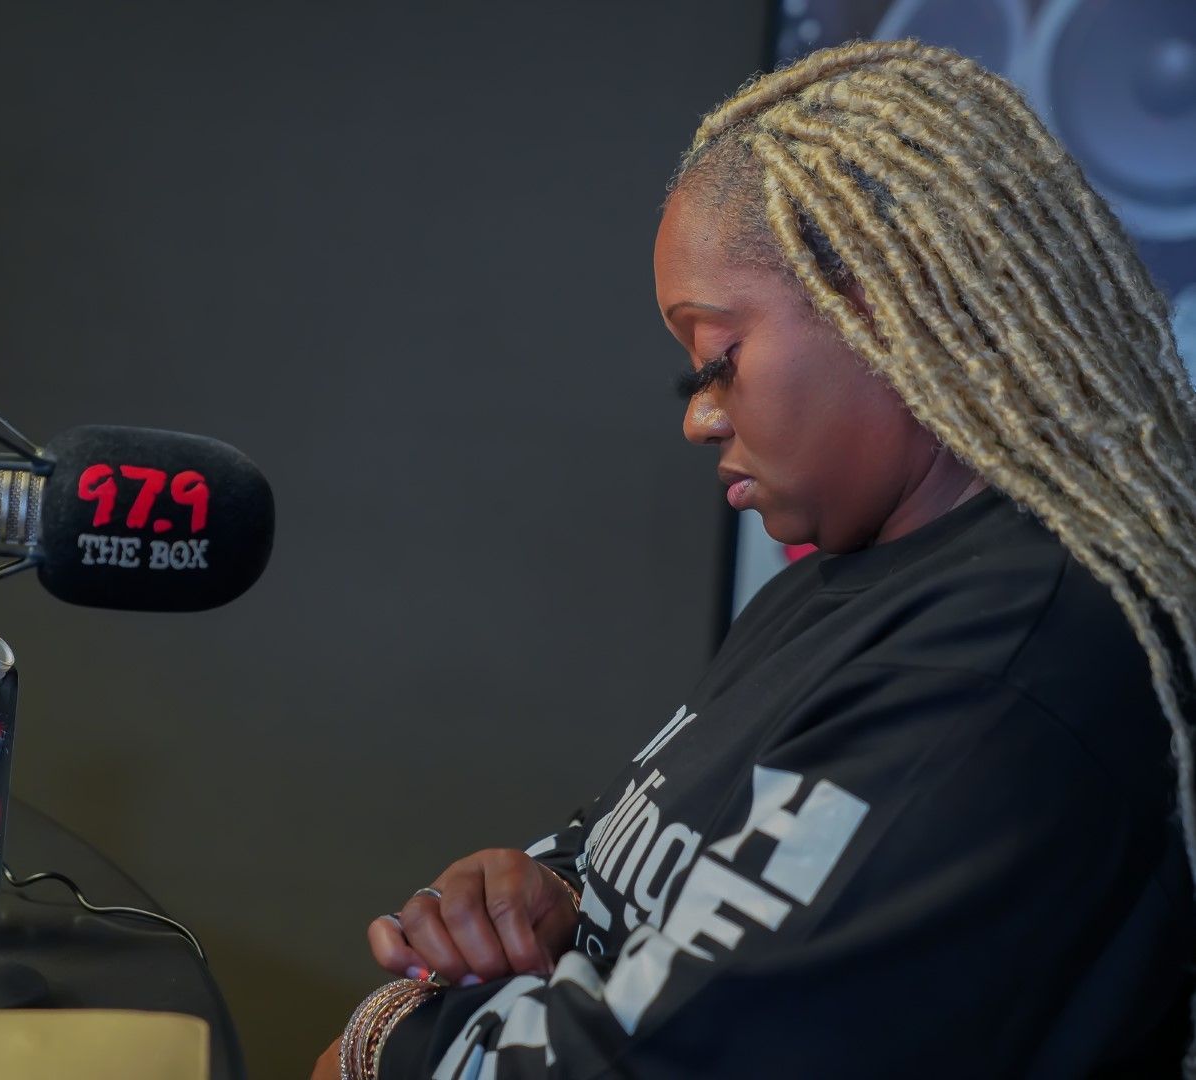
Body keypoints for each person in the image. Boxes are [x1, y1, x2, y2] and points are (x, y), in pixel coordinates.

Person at [313, 37, 1196, 1080]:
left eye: (716, 360)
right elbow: (635, 855)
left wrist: (382, 1041)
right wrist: (533, 897)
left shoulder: (998, 666)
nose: (698, 417)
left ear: (894, 295)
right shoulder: (832, 586)